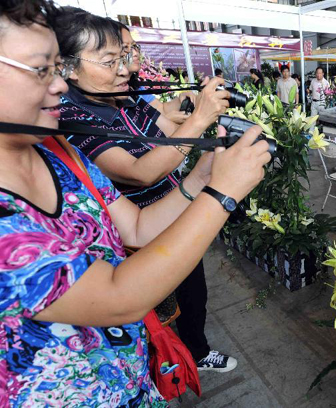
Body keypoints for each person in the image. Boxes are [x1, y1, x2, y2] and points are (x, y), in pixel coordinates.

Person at [0, 1, 270, 406]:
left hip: (132, 381)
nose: (58, 86)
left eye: (56, 67)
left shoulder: (56, 151)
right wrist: (222, 195)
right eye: (42, 69)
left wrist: (201, 177)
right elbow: (117, 299)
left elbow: (138, 228)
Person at [55, 10, 238, 372]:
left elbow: (161, 128)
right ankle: (174, 362)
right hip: (142, 234)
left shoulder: (117, 97)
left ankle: (193, 353)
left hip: (163, 214)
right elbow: (141, 173)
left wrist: (200, 167)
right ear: (67, 69)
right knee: (162, 309)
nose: (127, 68)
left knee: (193, 292)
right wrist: (199, 120)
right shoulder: (71, 115)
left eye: (127, 55)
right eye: (113, 59)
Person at [119, 22, 191, 124]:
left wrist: (180, 100)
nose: (135, 53)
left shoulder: (135, 87)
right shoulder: (114, 94)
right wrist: (166, 121)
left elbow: (160, 108)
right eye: (125, 48)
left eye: (134, 46)